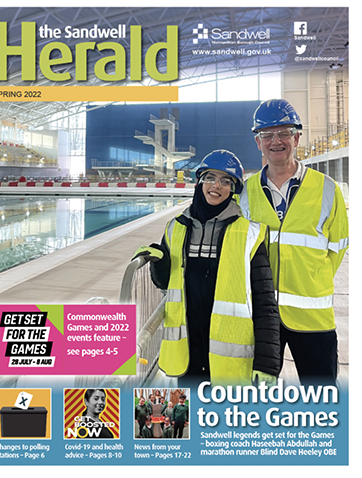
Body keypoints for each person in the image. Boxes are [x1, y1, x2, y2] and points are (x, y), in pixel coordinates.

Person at [132, 149, 281, 386]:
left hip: (229, 360)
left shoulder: (250, 233)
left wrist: (267, 363)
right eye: (210, 178)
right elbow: (164, 284)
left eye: (225, 181)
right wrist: (159, 262)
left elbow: (265, 302)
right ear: (200, 182)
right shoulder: (176, 227)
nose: (216, 186)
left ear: (233, 189)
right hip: (188, 354)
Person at [239, 99, 349, 387]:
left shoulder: (326, 188)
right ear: (258, 142)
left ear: (297, 137)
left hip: (313, 318)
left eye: (284, 133)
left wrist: (311, 279)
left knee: (321, 397)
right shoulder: (246, 192)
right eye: (267, 135)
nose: (276, 141)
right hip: (261, 318)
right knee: (256, 397)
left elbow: (338, 246)